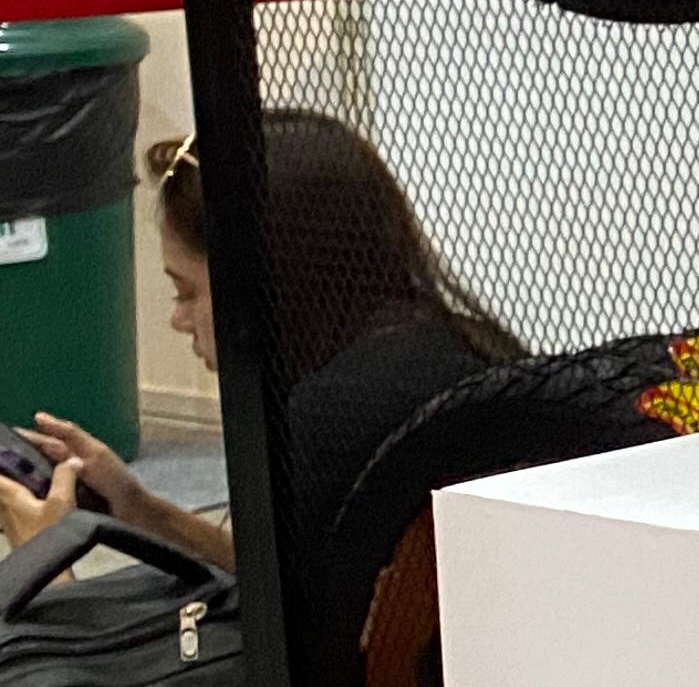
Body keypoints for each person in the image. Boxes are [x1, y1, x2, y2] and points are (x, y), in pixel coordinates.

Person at [1, 113, 518, 574]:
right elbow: (285, 588)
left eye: (187, 291)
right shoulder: (475, 348)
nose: (178, 319)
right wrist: (141, 508)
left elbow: (282, 642)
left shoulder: (327, 422)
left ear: (267, 283)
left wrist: (42, 557)